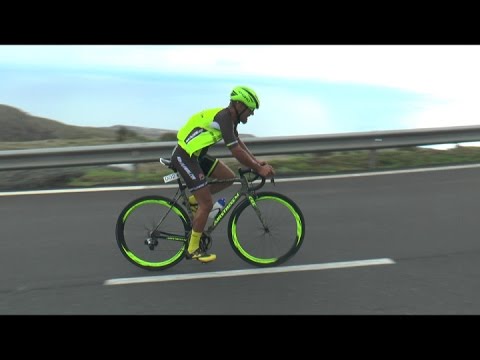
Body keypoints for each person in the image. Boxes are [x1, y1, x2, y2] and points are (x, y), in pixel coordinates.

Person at [171, 85, 275, 263]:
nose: (251, 114)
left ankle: (194, 202)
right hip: (184, 157)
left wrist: (257, 163)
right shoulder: (224, 117)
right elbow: (235, 151)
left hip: (196, 156)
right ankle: (193, 248)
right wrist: (258, 169)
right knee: (207, 204)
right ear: (239, 106)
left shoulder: (231, 120)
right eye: (250, 110)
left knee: (227, 176)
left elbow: (239, 143)